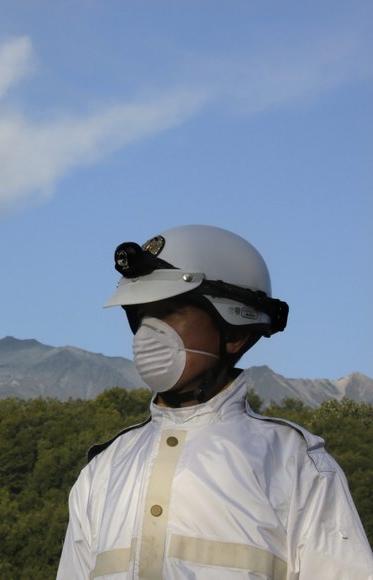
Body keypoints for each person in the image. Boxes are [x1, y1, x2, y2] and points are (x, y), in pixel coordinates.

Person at [56, 225, 373, 579]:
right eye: (140, 315)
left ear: (235, 331)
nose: (148, 333)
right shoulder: (102, 472)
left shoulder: (297, 466)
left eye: (169, 311)